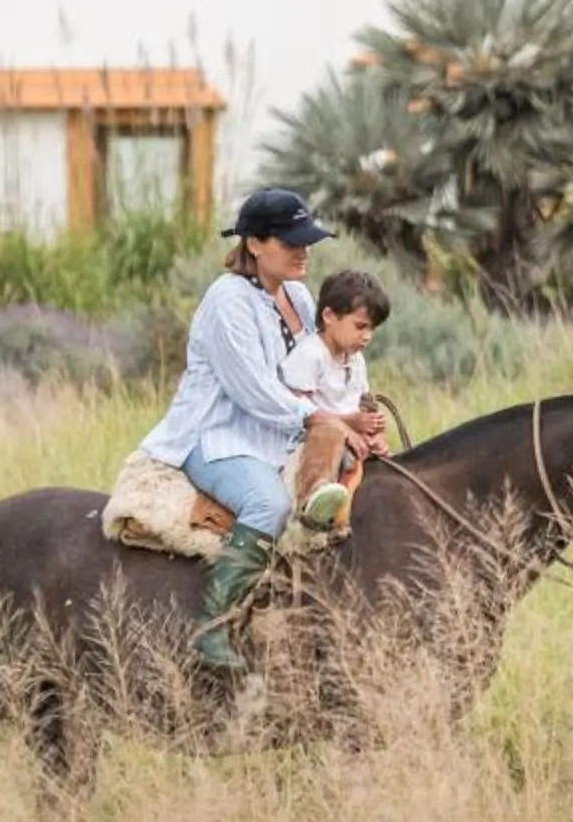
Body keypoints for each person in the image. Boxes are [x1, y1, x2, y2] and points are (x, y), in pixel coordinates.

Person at [135, 186, 355, 671]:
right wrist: (318, 418)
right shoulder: (227, 301)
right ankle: (210, 628)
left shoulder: (298, 295)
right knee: (268, 504)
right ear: (254, 244)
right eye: (291, 242)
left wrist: (351, 413)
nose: (303, 251)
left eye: (307, 241)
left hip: (277, 434)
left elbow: (314, 367)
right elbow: (253, 389)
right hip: (216, 436)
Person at [281, 267, 392, 530]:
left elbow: (364, 400)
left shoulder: (356, 359)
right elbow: (297, 408)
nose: (367, 336)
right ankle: (314, 497)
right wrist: (348, 423)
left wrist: (375, 431)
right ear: (329, 316)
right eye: (360, 326)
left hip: (352, 437)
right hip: (315, 438)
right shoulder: (311, 354)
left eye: (372, 329)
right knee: (327, 433)